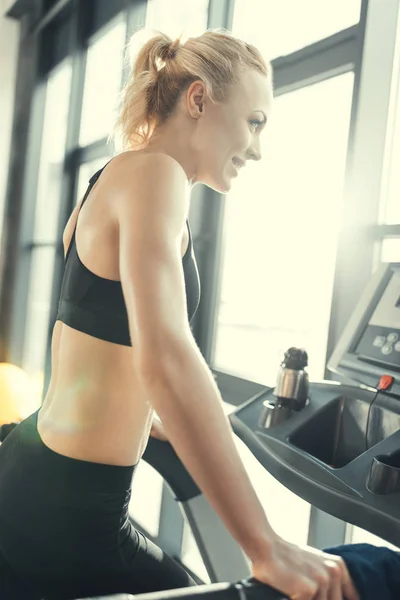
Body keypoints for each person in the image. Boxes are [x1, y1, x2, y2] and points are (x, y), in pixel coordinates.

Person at [0, 28, 359, 600]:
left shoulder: (115, 176)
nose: (258, 149)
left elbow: (85, 344)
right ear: (198, 100)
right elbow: (165, 356)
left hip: (35, 468)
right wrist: (268, 546)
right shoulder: (156, 176)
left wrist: (146, 419)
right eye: (255, 122)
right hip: (70, 509)